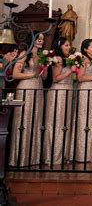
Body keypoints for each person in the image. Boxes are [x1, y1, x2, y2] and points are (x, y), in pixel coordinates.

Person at [9, 33, 45, 167]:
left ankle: (32, 157)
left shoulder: (41, 56)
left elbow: (44, 76)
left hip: (38, 87)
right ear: (33, 39)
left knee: (36, 119)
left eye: (42, 39)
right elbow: (15, 74)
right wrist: (31, 74)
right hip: (26, 87)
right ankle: (20, 157)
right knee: (24, 119)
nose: (41, 41)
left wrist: (43, 69)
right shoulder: (25, 53)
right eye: (38, 39)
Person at [71, 39, 92, 162]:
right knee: (85, 118)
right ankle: (82, 153)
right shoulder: (84, 60)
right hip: (86, 90)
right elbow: (80, 78)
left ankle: (91, 153)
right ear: (85, 49)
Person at [44, 38, 75, 165]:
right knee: (56, 123)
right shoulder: (57, 59)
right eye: (66, 45)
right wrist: (70, 71)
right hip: (59, 92)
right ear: (60, 46)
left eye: (69, 45)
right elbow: (56, 78)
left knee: (64, 123)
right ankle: (53, 156)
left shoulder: (66, 59)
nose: (69, 47)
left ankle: (63, 155)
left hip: (67, 91)